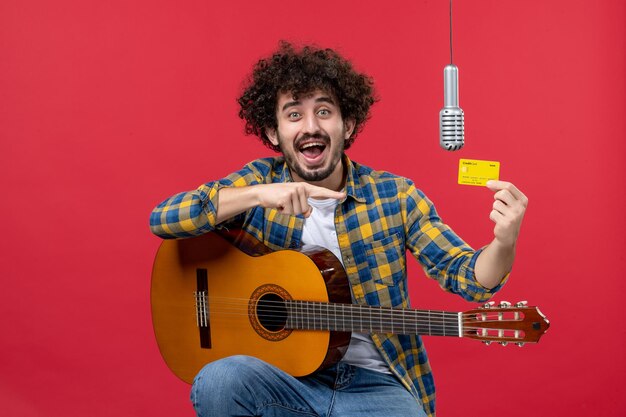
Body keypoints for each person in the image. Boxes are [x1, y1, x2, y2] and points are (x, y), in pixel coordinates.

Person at [149, 42, 527, 417]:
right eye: (294, 114)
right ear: (272, 133)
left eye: (324, 111)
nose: (310, 126)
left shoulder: (394, 195)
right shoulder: (257, 183)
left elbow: (469, 279)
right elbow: (163, 219)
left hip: (376, 386)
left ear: (347, 126)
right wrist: (258, 194)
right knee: (220, 379)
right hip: (283, 380)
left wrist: (504, 242)